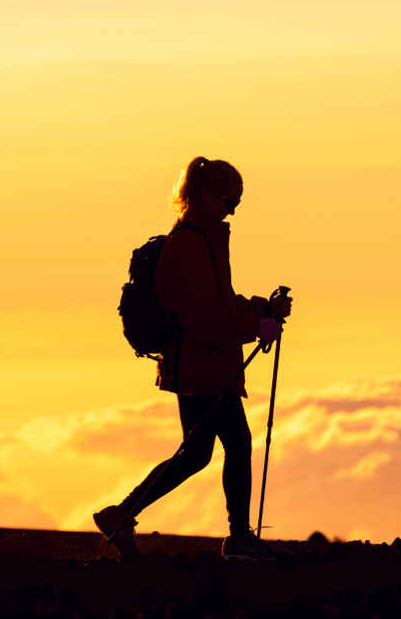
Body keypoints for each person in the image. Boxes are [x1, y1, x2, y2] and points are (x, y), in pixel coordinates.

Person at [94, 157, 292, 560]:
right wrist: (257, 325)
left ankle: (122, 513)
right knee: (234, 444)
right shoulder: (190, 246)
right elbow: (205, 316)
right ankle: (238, 537)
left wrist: (261, 313)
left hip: (200, 365)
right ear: (203, 196)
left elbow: (218, 303)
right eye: (229, 199)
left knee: (197, 453)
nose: (233, 209)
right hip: (202, 366)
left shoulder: (202, 242)